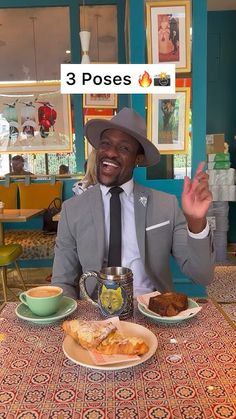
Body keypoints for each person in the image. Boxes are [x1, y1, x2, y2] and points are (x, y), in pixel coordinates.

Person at [52, 107, 215, 299]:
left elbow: (202, 276)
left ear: (138, 158)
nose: (111, 153)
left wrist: (196, 222)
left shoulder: (166, 206)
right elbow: (63, 282)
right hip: (94, 315)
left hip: (150, 310)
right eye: (105, 144)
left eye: (123, 148)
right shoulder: (72, 210)